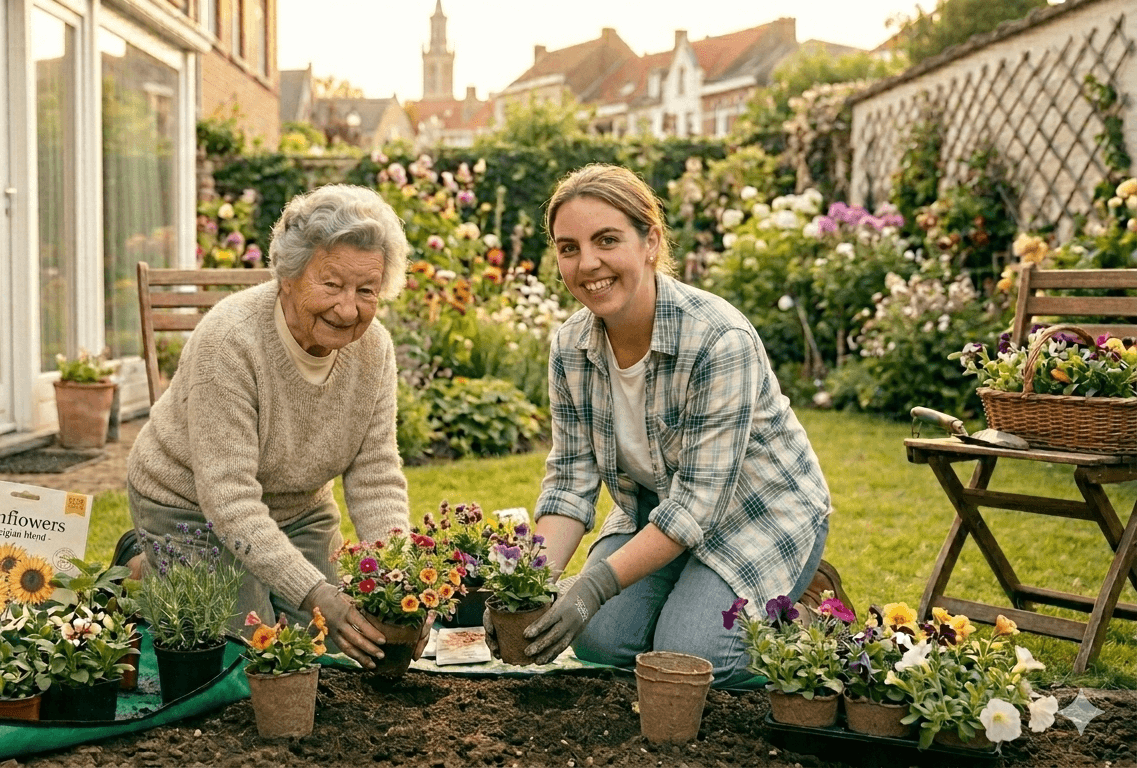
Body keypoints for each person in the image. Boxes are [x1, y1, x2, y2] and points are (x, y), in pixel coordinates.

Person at [486, 164, 843, 686]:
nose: (588, 263)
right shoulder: (571, 347)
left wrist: (592, 586)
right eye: (568, 248)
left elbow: (698, 505)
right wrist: (526, 587)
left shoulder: (719, 340)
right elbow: (569, 483)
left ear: (650, 240)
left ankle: (812, 622)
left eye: (607, 240)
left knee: (691, 657)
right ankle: (693, 601)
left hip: (762, 515)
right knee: (598, 640)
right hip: (656, 512)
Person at [119, 184, 424, 669]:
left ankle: (222, 572)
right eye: (331, 284)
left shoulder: (375, 349)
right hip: (191, 505)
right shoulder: (230, 341)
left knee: (336, 647)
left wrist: (399, 578)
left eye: (366, 291)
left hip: (298, 508)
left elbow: (375, 473)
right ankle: (140, 563)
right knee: (247, 656)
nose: (348, 309)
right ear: (288, 276)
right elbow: (229, 498)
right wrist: (314, 590)